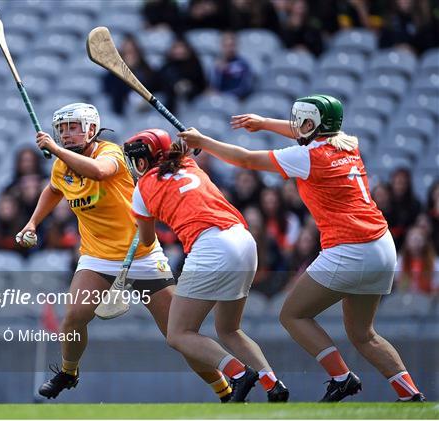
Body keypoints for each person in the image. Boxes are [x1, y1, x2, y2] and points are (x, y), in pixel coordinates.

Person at [177, 94, 426, 402]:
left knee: (293, 315)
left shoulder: (308, 157)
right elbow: (308, 133)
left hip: (350, 248)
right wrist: (265, 123)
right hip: (382, 247)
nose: (294, 126)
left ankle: (342, 377)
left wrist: (204, 141)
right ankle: (411, 395)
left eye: (300, 121)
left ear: (311, 124)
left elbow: (245, 159)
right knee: (364, 334)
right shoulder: (348, 144)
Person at [16, 103, 233, 402]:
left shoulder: (111, 153)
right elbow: (54, 189)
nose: (66, 134)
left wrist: (55, 149)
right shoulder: (62, 165)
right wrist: (32, 222)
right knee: (74, 317)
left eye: (73, 127)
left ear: (91, 129)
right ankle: (69, 372)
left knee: (179, 335)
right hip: (97, 258)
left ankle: (225, 391)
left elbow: (99, 172)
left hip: (142, 255)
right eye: (62, 129)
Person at [123, 129, 289, 403]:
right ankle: (272, 384)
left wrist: (140, 219)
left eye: (136, 160)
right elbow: (187, 147)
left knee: (178, 334)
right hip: (244, 240)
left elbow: (148, 239)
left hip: (211, 247)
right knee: (229, 329)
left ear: (144, 160)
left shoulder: (141, 189)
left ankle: (238, 374)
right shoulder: (188, 163)